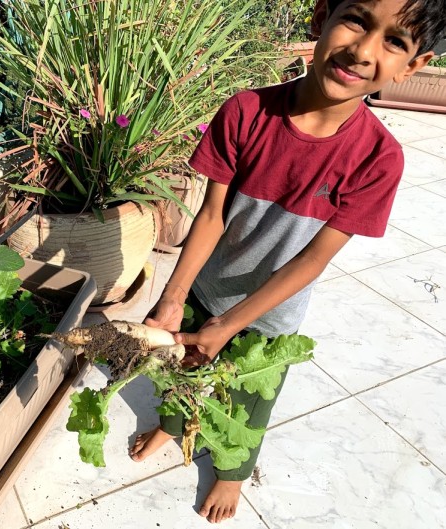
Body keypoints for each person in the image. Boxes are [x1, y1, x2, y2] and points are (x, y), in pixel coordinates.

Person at [128, 0, 446, 524]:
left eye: (394, 41)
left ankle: (232, 473)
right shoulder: (246, 111)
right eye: (356, 21)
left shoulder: (378, 159)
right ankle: (171, 423)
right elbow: (210, 215)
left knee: (247, 402)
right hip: (206, 288)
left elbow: (313, 260)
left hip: (272, 317)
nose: (364, 50)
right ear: (321, 17)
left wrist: (231, 325)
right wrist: (174, 295)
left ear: (413, 66)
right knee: (180, 373)